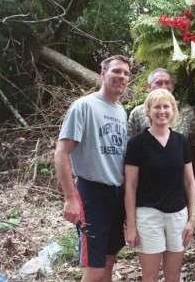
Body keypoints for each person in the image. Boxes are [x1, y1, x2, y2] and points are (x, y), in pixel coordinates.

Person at [54, 55, 132, 281]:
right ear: (103, 74)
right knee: (95, 266)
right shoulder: (84, 106)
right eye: (116, 71)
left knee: (108, 259)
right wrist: (70, 198)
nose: (122, 77)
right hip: (92, 194)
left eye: (126, 73)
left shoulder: (121, 111)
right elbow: (61, 153)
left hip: (116, 194)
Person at [124, 89, 195, 282]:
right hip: (148, 216)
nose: (162, 111)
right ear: (148, 111)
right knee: (150, 276)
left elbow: (190, 183)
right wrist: (131, 226)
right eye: (156, 107)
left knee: (173, 275)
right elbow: (130, 186)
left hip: (177, 216)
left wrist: (192, 218)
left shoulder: (181, 142)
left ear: (173, 111)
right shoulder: (137, 143)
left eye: (166, 106)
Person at [127, 68, 195, 185]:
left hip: (179, 181)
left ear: (173, 86)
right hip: (148, 181)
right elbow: (129, 148)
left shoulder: (186, 110)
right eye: (158, 83)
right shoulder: (137, 113)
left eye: (167, 82)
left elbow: (194, 144)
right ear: (149, 87)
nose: (164, 86)